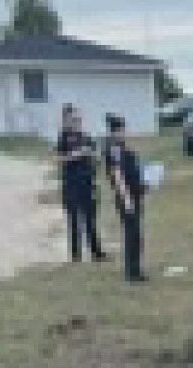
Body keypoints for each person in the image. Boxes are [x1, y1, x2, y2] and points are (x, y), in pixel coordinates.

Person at [54, 105, 103, 263]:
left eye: (79, 119)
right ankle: (76, 255)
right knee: (74, 219)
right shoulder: (63, 137)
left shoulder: (86, 137)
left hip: (87, 181)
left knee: (90, 218)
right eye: (74, 119)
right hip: (71, 183)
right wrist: (75, 155)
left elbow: (96, 156)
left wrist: (93, 155)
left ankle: (96, 252)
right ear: (66, 120)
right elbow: (58, 158)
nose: (77, 122)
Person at [102, 113, 147, 282]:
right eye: (122, 129)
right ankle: (132, 273)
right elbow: (117, 174)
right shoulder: (113, 148)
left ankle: (137, 269)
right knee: (132, 234)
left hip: (134, 194)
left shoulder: (120, 147)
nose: (125, 132)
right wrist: (126, 198)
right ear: (115, 131)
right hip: (126, 197)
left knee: (136, 234)